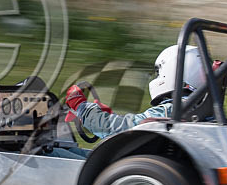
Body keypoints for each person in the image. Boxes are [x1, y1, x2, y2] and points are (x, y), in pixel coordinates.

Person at [66, 44, 209, 141]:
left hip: (139, 167)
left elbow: (118, 130)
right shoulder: (204, 112)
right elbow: (132, 123)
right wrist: (107, 115)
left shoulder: (170, 110)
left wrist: (81, 107)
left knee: (56, 154)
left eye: (158, 72)